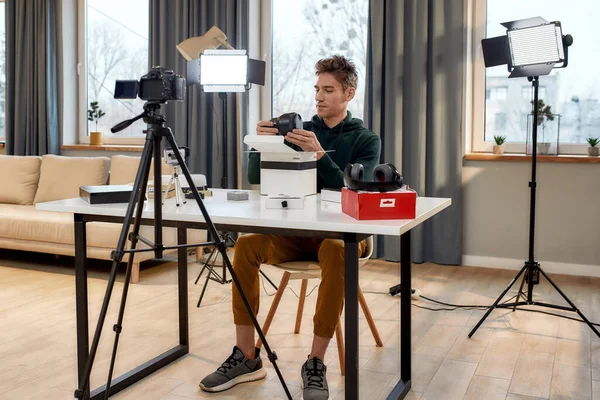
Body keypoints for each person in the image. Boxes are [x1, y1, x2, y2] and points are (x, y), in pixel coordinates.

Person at [199, 55, 381, 400]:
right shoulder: (299, 131)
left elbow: (354, 190)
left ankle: (315, 363)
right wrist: (259, 143)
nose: (319, 96)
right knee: (248, 243)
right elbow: (256, 177)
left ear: (349, 94)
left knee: (335, 249)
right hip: (295, 234)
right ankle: (246, 357)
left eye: (329, 90)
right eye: (317, 89)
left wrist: (319, 155)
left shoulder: (366, 140)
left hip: (343, 236)